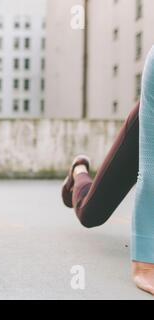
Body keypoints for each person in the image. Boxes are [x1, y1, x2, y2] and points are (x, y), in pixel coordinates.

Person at [61, 46, 154, 295]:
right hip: (147, 126)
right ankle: (79, 172)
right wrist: (145, 264)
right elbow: (150, 172)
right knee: (92, 213)